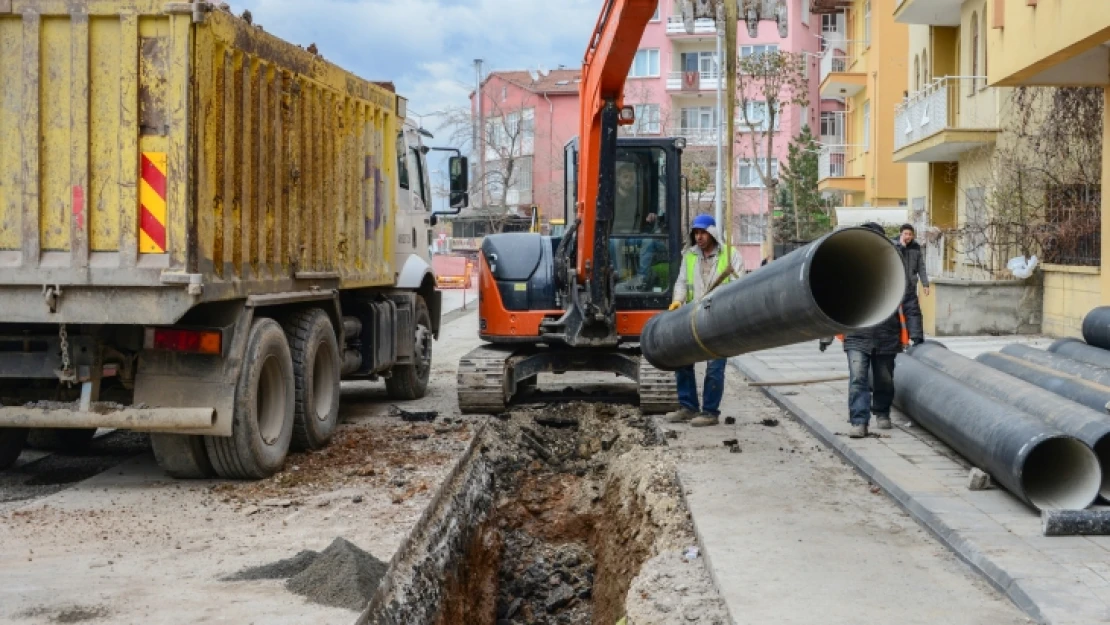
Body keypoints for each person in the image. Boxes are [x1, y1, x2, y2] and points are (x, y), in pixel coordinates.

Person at [665, 214, 746, 427]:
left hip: (719, 319)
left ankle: (710, 412)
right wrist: (677, 300)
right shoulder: (690, 256)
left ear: (712, 233)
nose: (699, 237)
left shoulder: (730, 255)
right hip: (693, 316)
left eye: (703, 233)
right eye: (696, 233)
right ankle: (688, 407)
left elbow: (741, 285)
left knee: (715, 367)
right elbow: (682, 282)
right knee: (682, 361)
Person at [843, 222, 904, 438]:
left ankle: (882, 411)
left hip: (887, 335)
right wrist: (824, 333)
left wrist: (916, 332)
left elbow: (909, 300)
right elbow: (834, 300)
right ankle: (859, 421)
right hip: (857, 334)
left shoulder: (895, 267)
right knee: (858, 378)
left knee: (884, 378)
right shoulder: (850, 268)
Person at [894, 223, 929, 346]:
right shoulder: (894, 245)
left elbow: (921, 267)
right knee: (895, 315)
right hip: (896, 288)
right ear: (901, 234)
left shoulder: (916, 248)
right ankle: (898, 339)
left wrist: (925, 284)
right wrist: (902, 246)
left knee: (913, 312)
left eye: (910, 234)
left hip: (910, 287)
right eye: (905, 234)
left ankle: (917, 337)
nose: (908, 236)